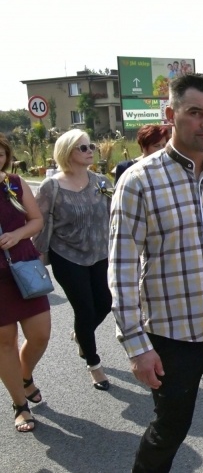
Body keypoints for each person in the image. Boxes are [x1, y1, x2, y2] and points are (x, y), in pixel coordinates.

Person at [109, 73, 203, 472]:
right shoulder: (139, 181)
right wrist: (137, 346)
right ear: (171, 114)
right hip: (172, 337)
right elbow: (122, 270)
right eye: (195, 113)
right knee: (170, 430)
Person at [35, 129, 113, 391]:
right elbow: (39, 222)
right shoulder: (52, 186)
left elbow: (115, 215)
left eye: (90, 145)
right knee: (85, 309)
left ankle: (81, 334)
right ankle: (93, 364)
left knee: (105, 302)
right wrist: (35, 255)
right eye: (82, 147)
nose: (90, 150)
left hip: (100, 253)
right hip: (67, 256)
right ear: (66, 152)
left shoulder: (101, 181)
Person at [0, 135, 50, 433]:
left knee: (40, 334)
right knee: (4, 341)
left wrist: (17, 236)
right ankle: (20, 404)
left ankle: (25, 374)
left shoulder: (14, 183)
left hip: (23, 266)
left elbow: (36, 220)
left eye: (1, 154)